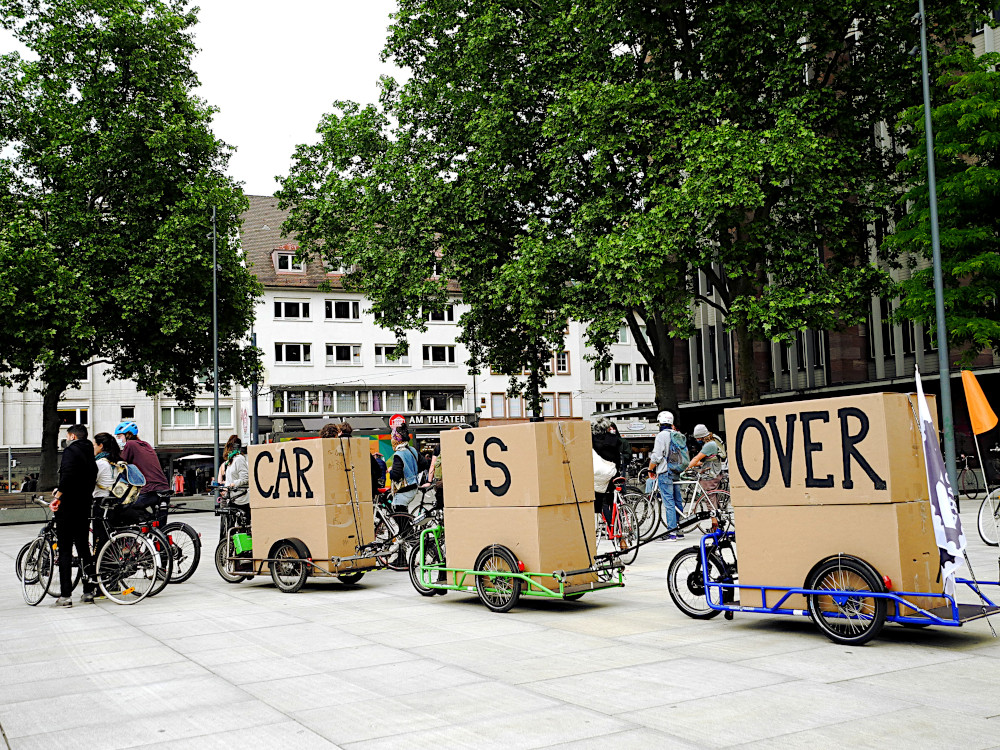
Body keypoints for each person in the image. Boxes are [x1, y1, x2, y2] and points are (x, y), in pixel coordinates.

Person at [50, 424, 97, 606]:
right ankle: (88, 591)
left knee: (65, 550)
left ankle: (65, 595)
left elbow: (68, 475)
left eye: (68, 436)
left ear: (72, 436)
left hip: (68, 505)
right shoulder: (89, 453)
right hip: (84, 504)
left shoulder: (71, 451)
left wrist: (58, 496)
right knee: (84, 548)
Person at [114, 420, 170, 525]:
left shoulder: (130, 444)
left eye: (119, 436)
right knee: (161, 530)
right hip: (164, 488)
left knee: (125, 509)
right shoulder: (145, 445)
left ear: (128, 435)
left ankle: (148, 523)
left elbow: (120, 465)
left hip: (150, 490)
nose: (118, 439)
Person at [648, 411, 689, 541]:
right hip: (676, 471)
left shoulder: (661, 435)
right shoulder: (677, 434)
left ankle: (672, 533)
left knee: (669, 503)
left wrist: (650, 469)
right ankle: (680, 530)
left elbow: (657, 456)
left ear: (660, 422)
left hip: (665, 472)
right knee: (677, 501)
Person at [388, 420, 427, 527]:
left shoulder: (399, 454)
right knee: (404, 516)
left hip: (404, 490)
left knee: (400, 519)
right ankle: (411, 537)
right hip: (413, 487)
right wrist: (412, 471)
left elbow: (396, 475)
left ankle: (408, 539)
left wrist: (391, 470)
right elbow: (424, 464)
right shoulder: (412, 450)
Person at [92, 432, 122, 560]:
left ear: (101, 446)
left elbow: (89, 483)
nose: (92, 448)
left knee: (99, 537)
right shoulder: (115, 463)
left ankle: (99, 569)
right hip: (114, 502)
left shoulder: (100, 464)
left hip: (101, 503)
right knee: (109, 536)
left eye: (94, 445)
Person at [592, 417, 622, 526]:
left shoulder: (592, 440)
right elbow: (618, 458)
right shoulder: (614, 439)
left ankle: (608, 524)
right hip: (612, 472)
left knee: (601, 499)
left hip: (598, 473)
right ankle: (619, 524)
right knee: (613, 500)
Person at [688, 424, 728, 493]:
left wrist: (687, 467)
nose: (697, 440)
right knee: (712, 497)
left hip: (710, 475)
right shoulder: (710, 443)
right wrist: (694, 465)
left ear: (702, 436)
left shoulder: (709, 445)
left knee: (710, 498)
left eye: (698, 438)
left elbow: (696, 458)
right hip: (713, 472)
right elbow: (705, 460)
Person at [221, 434, 249, 510]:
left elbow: (245, 479)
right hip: (231, 498)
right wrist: (225, 488)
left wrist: (233, 484)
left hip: (240, 500)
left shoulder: (239, 459)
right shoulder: (229, 461)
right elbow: (229, 479)